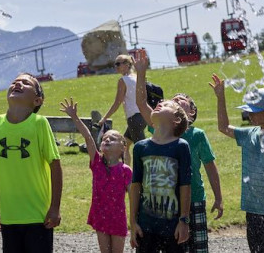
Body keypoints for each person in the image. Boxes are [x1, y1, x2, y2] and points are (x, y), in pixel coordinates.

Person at [132, 57, 223, 253]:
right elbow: (141, 102)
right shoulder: (160, 128)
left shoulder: (197, 135)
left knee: (197, 247)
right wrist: (141, 73)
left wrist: (218, 197)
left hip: (194, 197)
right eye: (173, 100)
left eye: (183, 100)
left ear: (191, 114)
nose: (176, 99)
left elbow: (210, 166)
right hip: (167, 202)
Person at [209, 74, 264, 253]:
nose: (249, 114)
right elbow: (223, 127)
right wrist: (220, 97)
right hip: (253, 210)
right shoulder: (249, 134)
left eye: (254, 110)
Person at [0, 73, 63, 253]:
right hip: (9, 216)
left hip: (38, 216)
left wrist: (55, 207)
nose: (17, 83)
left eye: (25, 83)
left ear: (37, 101)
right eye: (14, 81)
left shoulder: (39, 123)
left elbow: (55, 165)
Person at [60, 98, 132, 253]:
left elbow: (133, 197)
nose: (107, 140)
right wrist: (74, 117)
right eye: (105, 138)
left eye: (112, 138)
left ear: (122, 147)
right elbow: (88, 137)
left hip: (118, 218)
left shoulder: (126, 170)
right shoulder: (97, 163)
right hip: (100, 215)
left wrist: (136, 220)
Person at [129, 99, 193, 253]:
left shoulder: (181, 146)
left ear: (176, 120)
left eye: (166, 105)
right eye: (160, 103)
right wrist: (133, 222)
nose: (159, 104)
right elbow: (135, 186)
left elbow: (186, 185)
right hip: (145, 226)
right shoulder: (140, 147)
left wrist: (184, 220)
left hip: (173, 227)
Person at [99, 54, 147, 164]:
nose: (116, 67)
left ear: (127, 64)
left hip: (134, 118)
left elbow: (117, 103)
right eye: (115, 64)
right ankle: (127, 174)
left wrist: (104, 118)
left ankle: (144, 175)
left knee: (142, 149)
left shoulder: (123, 80)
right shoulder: (138, 77)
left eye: (118, 64)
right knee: (125, 146)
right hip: (143, 116)